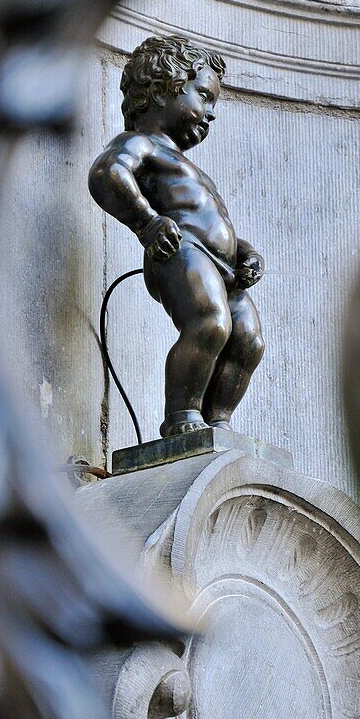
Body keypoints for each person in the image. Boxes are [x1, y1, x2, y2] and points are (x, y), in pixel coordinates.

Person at [89, 35, 265, 438]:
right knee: (208, 323)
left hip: (224, 266)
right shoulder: (140, 144)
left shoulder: (190, 167)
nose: (211, 113)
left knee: (247, 341)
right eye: (203, 95)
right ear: (161, 89)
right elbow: (107, 174)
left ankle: (217, 421)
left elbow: (219, 223)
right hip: (179, 248)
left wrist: (247, 254)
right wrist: (146, 223)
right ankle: (181, 416)